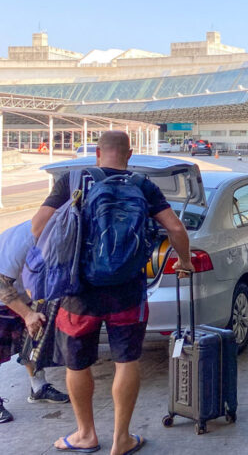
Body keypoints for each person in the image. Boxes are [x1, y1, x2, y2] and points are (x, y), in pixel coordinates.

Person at [31, 131, 192, 455]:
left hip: (79, 291)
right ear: (129, 154)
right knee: (126, 360)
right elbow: (175, 228)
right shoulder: (143, 185)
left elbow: (39, 226)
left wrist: (55, 265)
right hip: (128, 290)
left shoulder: (73, 179)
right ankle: (122, 439)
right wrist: (184, 262)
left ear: (98, 153)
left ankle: (85, 435)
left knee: (77, 364)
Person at [0, 222, 70, 425]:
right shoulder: (20, 240)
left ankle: (38, 388)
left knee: (31, 343)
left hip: (20, 293)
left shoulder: (59, 233)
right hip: (3, 292)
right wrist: (27, 314)